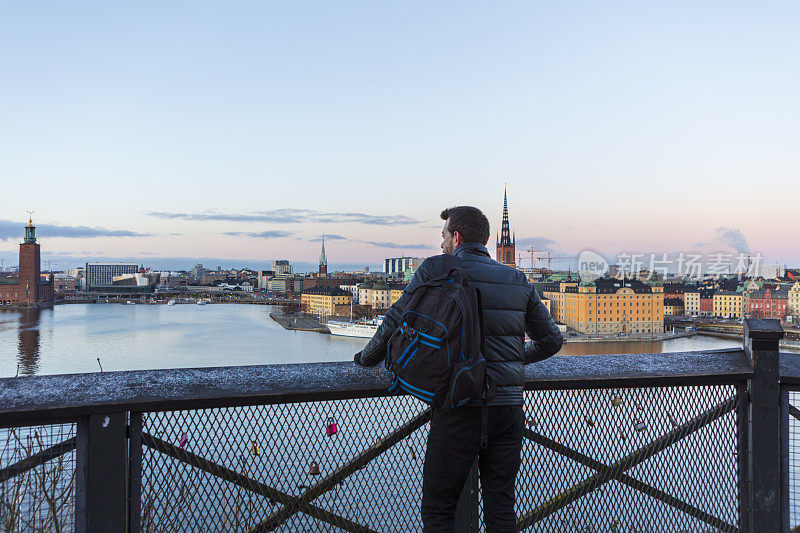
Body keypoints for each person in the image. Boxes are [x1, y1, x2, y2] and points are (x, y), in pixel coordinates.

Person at [354, 205, 563, 532]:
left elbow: (396, 319)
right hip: (507, 410)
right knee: (501, 508)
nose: (441, 245)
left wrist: (368, 358)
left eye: (443, 237)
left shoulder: (436, 270)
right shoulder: (517, 278)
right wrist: (512, 359)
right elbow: (551, 341)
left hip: (458, 406)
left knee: (439, 509)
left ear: (457, 237)